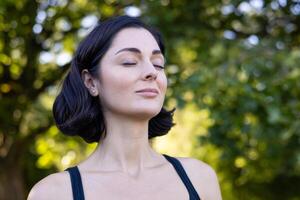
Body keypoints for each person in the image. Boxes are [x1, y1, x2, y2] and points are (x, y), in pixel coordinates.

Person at [28, 15, 222, 200]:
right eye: (129, 62)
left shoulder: (200, 179)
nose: (151, 72)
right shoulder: (54, 193)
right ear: (91, 82)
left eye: (158, 64)